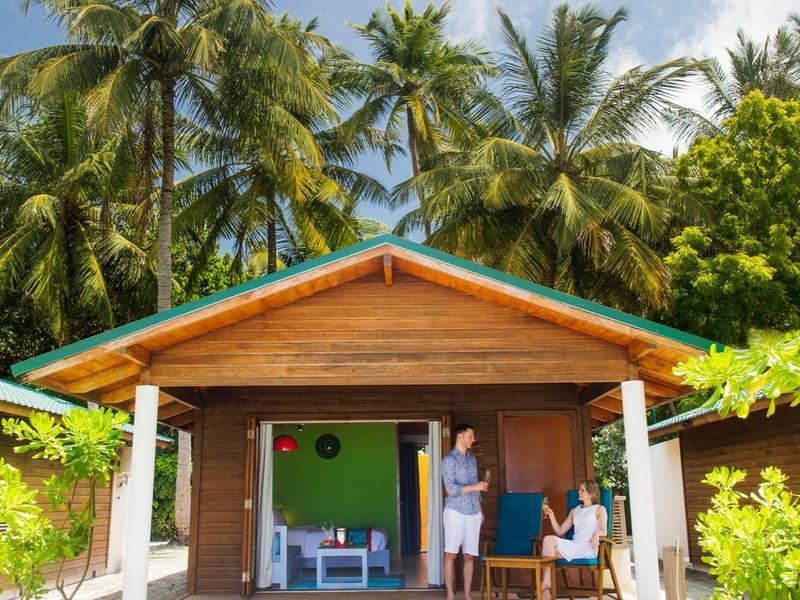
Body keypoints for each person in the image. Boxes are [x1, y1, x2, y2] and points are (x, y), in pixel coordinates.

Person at [441, 423, 488, 600]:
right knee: (451, 555)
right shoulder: (448, 461)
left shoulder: (472, 459)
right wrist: (475, 487)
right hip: (455, 512)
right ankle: (450, 595)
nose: (473, 440)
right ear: (459, 436)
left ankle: (468, 596)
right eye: (470, 436)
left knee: (469, 556)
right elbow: (451, 489)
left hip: (473, 512)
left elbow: (476, 488)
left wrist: (480, 510)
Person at [540, 479, 607, 600]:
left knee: (549, 553)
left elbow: (604, 530)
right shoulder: (575, 510)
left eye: (582, 490)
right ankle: (546, 584)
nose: (579, 492)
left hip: (587, 547)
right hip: (574, 545)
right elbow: (560, 531)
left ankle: (546, 588)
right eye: (579, 490)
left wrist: (597, 534)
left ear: (591, 494)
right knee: (548, 540)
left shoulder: (599, 509)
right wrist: (551, 515)